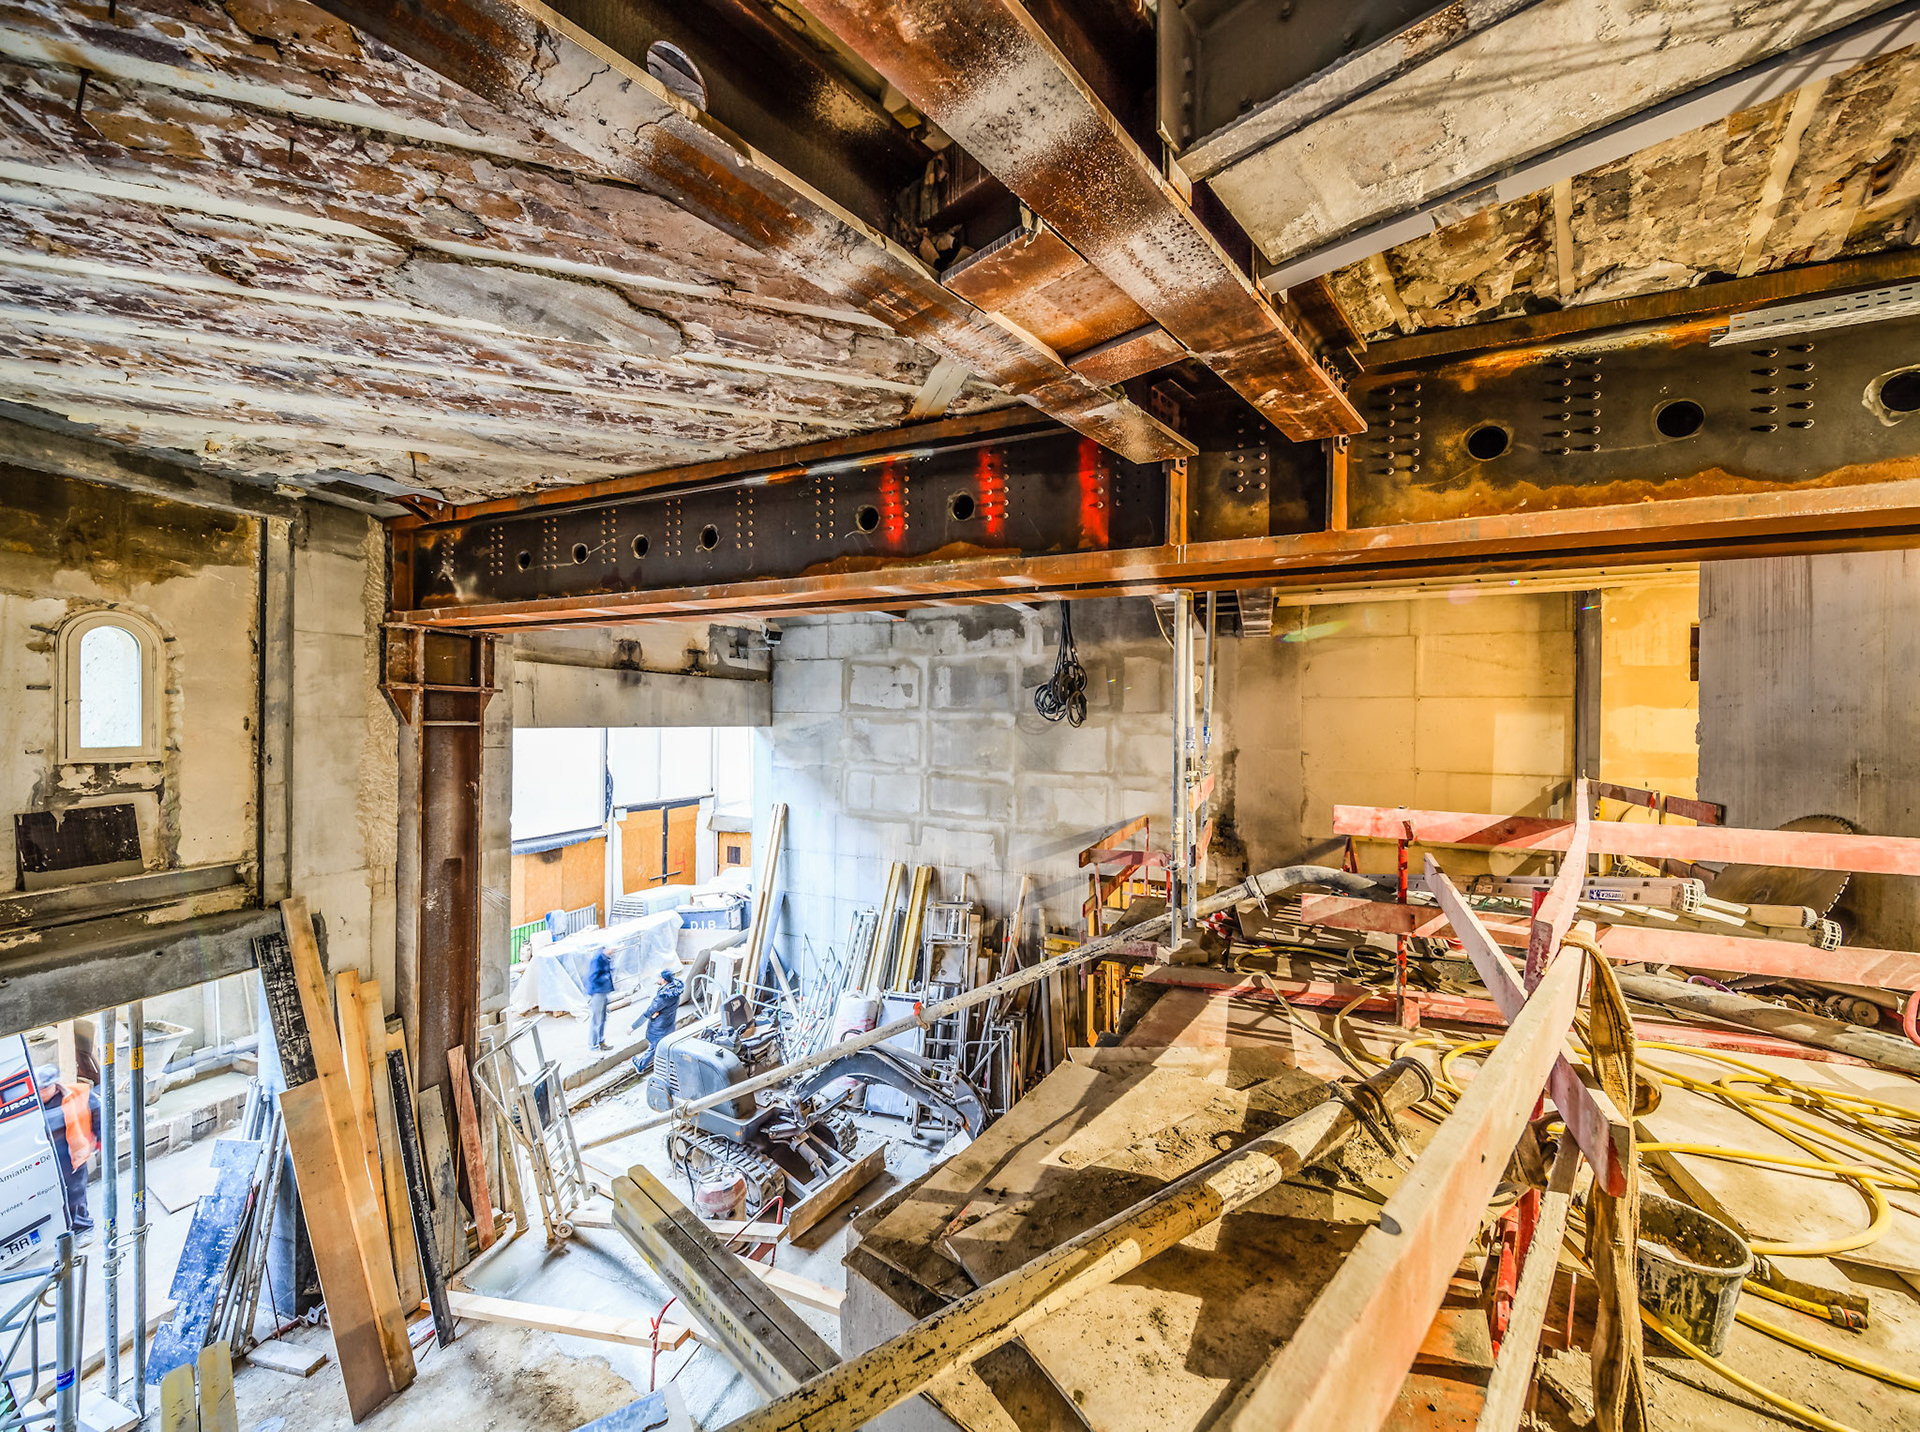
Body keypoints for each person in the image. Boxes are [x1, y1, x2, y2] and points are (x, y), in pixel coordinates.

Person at [37, 1066, 100, 1241]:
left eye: (44, 1088)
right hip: (45, 1157)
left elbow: (98, 1115)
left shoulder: (77, 1094)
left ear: (54, 1084)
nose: (42, 1093)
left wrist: (101, 1140)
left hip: (71, 1154)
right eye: (39, 1089)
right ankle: (61, 1230)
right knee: (50, 1196)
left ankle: (83, 1229)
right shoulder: (31, 1104)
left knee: (75, 1193)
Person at [631, 967, 685, 1078]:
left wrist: (633, 1027)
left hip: (659, 1026)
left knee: (655, 1047)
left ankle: (641, 1065)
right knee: (663, 1045)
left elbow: (649, 1011)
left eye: (659, 977)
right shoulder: (674, 989)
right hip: (669, 1022)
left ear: (663, 979)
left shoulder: (663, 997)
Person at [585, 942, 615, 1051]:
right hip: (598, 991)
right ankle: (593, 1046)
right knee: (596, 1019)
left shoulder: (606, 958)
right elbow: (593, 976)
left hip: (603, 991)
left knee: (603, 1018)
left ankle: (601, 1041)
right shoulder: (597, 959)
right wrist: (606, 978)